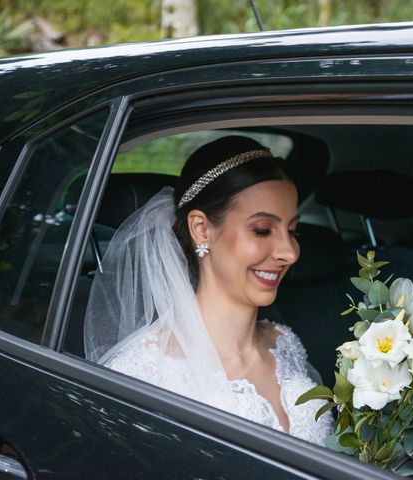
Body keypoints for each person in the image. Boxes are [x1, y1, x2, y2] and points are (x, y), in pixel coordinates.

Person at [84, 135, 333, 445]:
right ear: (201, 229)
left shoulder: (283, 343)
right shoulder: (145, 373)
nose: (290, 252)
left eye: (292, 231)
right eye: (262, 230)